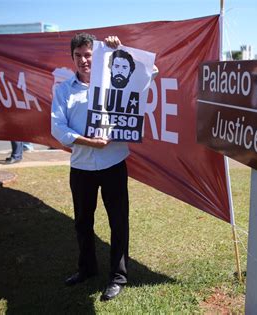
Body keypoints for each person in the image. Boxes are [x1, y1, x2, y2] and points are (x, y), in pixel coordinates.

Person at [51, 33, 157, 301]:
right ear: (72, 58)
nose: (84, 60)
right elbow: (58, 128)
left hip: (113, 163)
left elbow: (149, 71)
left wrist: (119, 49)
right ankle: (87, 269)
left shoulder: (115, 83)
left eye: (89, 54)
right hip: (82, 166)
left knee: (118, 221)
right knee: (83, 222)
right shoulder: (63, 90)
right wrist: (89, 142)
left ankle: (118, 277)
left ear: (96, 56)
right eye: (79, 56)